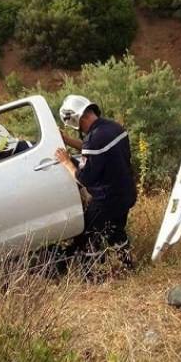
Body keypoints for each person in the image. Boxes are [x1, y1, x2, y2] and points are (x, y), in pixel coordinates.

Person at [54, 94, 137, 266]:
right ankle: (127, 264)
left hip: (107, 200)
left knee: (88, 234)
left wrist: (66, 162)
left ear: (78, 118)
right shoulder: (114, 128)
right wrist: (67, 140)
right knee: (116, 231)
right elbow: (95, 150)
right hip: (126, 193)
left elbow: (84, 179)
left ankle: (94, 273)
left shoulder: (94, 140)